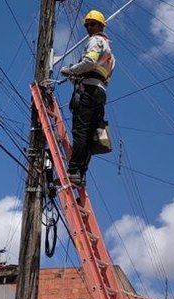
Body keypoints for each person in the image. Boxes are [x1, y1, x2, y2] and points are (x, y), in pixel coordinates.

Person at [60, 10, 115, 186]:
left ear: (101, 26)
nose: (89, 28)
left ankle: (74, 170)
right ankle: (81, 174)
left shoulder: (95, 41)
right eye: (87, 25)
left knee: (81, 131)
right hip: (100, 93)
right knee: (91, 133)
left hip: (89, 92)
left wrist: (71, 70)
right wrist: (77, 76)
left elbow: (89, 63)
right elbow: (99, 73)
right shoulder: (110, 54)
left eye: (92, 24)